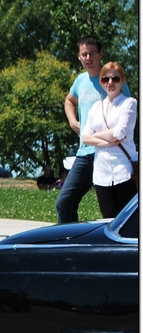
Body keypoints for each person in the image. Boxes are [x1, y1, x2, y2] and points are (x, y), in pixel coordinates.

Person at [55, 36, 129, 223]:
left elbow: (126, 111)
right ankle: (70, 245)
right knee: (64, 202)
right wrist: (73, 121)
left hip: (108, 153)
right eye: (84, 54)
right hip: (84, 152)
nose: (88, 58)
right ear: (79, 57)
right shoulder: (80, 81)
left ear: (101, 54)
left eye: (92, 53)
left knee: (115, 212)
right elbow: (69, 100)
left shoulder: (112, 79)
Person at [81, 62, 138, 219]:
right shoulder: (95, 107)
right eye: (106, 79)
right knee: (109, 220)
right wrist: (107, 141)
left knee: (129, 222)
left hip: (124, 171)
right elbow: (85, 137)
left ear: (122, 80)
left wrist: (97, 134)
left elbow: (119, 133)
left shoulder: (129, 103)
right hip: (102, 172)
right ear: (101, 81)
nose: (110, 82)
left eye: (115, 78)